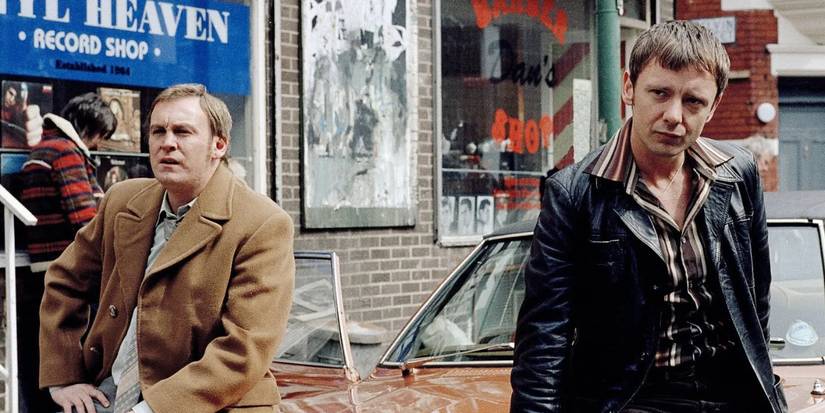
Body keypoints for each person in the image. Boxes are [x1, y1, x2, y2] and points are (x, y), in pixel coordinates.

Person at [511, 21, 787, 412]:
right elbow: (544, 338)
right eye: (659, 93)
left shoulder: (738, 173)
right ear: (629, 88)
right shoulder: (575, 194)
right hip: (631, 398)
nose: (674, 115)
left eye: (693, 101)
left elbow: (755, 299)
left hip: (733, 390)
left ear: (715, 105)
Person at [39, 84, 296, 413]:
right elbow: (64, 280)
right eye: (158, 131)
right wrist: (64, 378)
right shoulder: (122, 200)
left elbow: (243, 350)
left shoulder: (262, 223)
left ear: (218, 145)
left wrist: (150, 409)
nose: (167, 143)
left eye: (183, 132)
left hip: (210, 403)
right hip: (109, 394)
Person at [18, 92, 117, 413]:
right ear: (91, 128)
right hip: (70, 269)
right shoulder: (66, 152)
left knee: (40, 355)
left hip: (41, 267)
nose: (100, 145)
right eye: (102, 135)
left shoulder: (44, 150)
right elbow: (85, 221)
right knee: (77, 358)